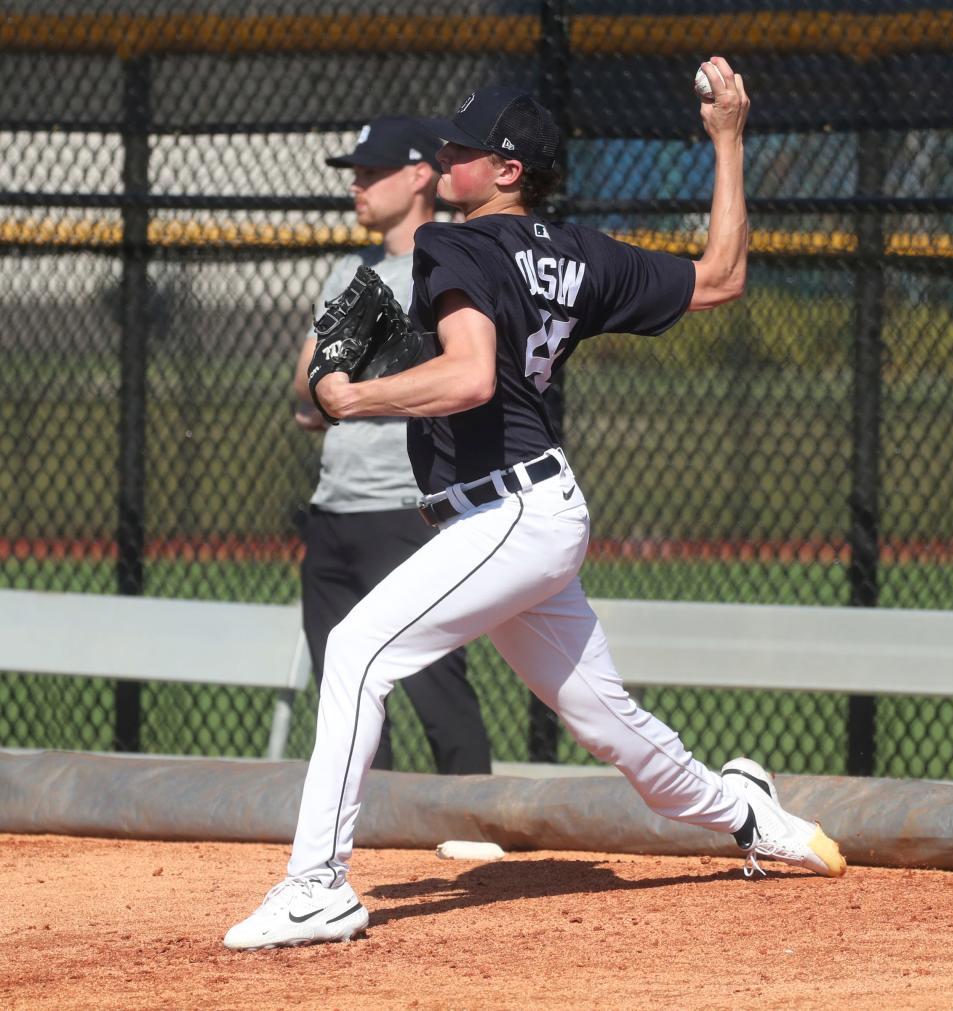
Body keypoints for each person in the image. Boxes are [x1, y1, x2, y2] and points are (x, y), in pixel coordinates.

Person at [225, 58, 846, 951]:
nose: (446, 157)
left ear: (508, 169)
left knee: (359, 649)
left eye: (465, 149)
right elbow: (721, 276)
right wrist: (728, 140)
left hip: (506, 512)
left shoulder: (454, 244)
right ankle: (751, 815)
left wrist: (349, 398)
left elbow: (471, 376)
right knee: (610, 725)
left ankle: (316, 885)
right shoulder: (579, 253)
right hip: (533, 510)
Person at [291, 116, 491, 775]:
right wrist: (346, 379)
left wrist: (353, 376)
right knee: (345, 693)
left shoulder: (452, 258)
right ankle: (365, 838)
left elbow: (453, 371)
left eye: (373, 172)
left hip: (411, 512)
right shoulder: (351, 267)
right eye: (355, 173)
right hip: (334, 510)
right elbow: (308, 379)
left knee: (437, 687)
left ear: (418, 176)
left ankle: (474, 823)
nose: (358, 184)